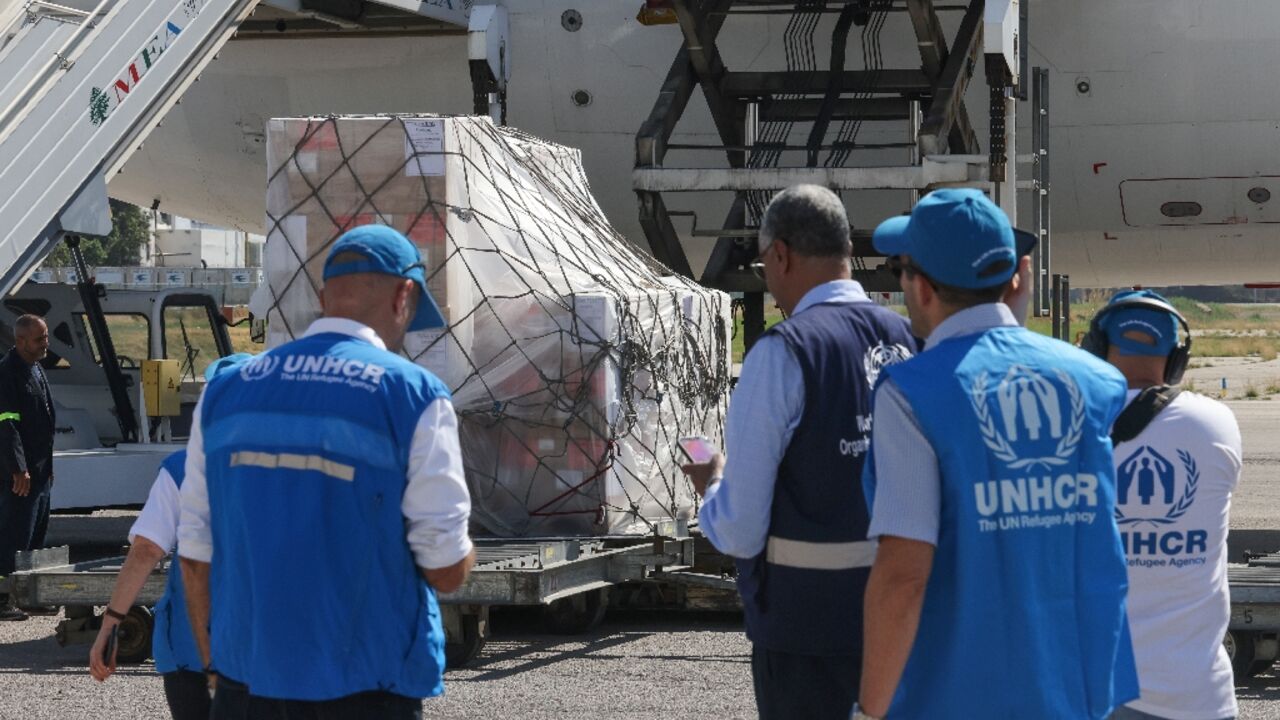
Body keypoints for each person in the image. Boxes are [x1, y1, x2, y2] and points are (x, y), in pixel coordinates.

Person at [856, 188, 1138, 719]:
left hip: (957, 694)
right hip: (1072, 691)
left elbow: (903, 576)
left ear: (920, 288)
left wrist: (869, 711)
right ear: (1015, 277)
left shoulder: (913, 394)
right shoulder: (1097, 383)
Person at [177, 224, 476, 719]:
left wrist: (217, 668)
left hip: (245, 686)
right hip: (366, 688)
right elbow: (445, 570)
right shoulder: (414, 396)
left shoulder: (224, 393)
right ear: (404, 296)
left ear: (323, 296)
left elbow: (193, 554)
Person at [682, 184, 918, 720]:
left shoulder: (784, 353)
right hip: (904, 626)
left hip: (810, 637)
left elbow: (740, 528)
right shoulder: (908, 339)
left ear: (780, 254)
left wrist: (712, 485)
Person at [1084, 291, 1239, 720]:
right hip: (1198, 699)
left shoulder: (1072, 424)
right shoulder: (1215, 423)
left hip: (1099, 694)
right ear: (1177, 358)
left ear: (1096, 347)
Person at [89, 353, 254, 720]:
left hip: (193, 648)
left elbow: (146, 550)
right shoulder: (296, 467)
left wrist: (111, 624)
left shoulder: (182, 469)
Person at [0, 314, 55, 622]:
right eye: (40, 339)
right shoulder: (7, 374)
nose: (46, 343)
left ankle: (28, 597)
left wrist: (48, 467)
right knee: (12, 537)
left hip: (40, 472)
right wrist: (17, 469)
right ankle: (2, 598)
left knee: (34, 536)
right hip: (19, 475)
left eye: (46, 336)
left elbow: (44, 425)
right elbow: (7, 427)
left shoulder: (35, 368)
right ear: (20, 340)